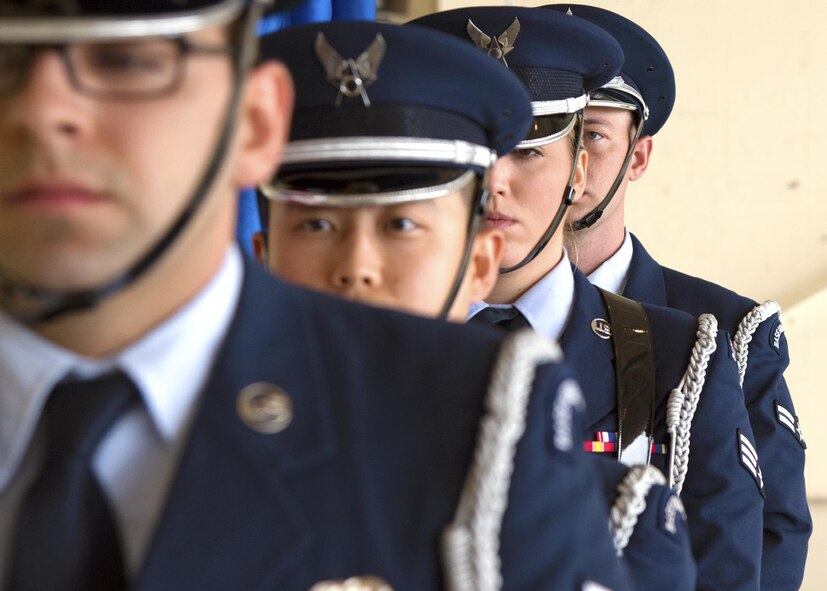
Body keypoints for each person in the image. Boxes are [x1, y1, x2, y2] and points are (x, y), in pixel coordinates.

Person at [0, 2, 632, 590]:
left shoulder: (472, 436)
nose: (40, 112)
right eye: (4, 59)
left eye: (127, 60)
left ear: (252, 125)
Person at [254, 16, 696, 590]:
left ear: (479, 264)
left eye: (403, 224)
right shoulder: (162, 473)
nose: (357, 264)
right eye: (315, 222)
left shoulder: (615, 521)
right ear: (261, 256)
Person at [412, 6, 764, 590]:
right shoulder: (365, 343)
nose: (496, 181)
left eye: (528, 151)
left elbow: (723, 573)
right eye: (473, 151)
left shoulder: (679, 361)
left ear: (577, 170)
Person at [545, 5, 811, 588]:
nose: (570, 165)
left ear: (637, 157)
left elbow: (772, 536)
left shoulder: (723, 328)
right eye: (545, 138)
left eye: (592, 135)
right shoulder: (458, 313)